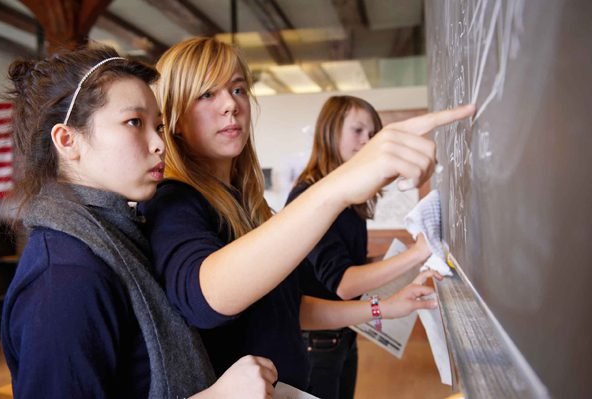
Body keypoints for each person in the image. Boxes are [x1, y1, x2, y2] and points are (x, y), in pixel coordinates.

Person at [140, 37, 475, 391]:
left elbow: (287, 309)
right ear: (173, 118)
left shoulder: (243, 203)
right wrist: (337, 186)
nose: (230, 105)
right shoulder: (173, 201)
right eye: (207, 94)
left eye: (237, 89)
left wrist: (383, 308)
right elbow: (204, 298)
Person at [1, 46, 278, 399]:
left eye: (159, 126)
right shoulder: (64, 275)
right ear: (68, 141)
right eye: (135, 123)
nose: (159, 143)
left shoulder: (119, 235)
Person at [286, 95, 433, 399]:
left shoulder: (349, 197)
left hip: (343, 335)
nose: (368, 141)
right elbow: (344, 283)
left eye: (373, 133)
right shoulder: (312, 195)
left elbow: (347, 263)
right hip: (316, 343)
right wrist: (414, 254)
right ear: (330, 132)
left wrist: (400, 258)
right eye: (358, 131)